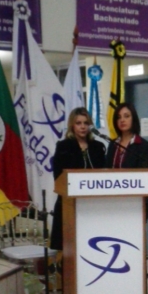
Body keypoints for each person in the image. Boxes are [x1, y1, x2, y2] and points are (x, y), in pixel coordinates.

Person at [50, 107, 106, 251]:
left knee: (92, 245)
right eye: (78, 123)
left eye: (86, 123)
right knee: (69, 248)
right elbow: (58, 176)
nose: (82, 127)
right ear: (72, 125)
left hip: (93, 205)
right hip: (69, 204)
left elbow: (104, 174)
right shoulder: (63, 146)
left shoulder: (98, 147)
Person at [105, 102, 148, 220]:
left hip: (135, 203)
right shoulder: (113, 145)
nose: (122, 120)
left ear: (133, 119)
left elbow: (143, 178)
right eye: (119, 117)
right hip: (112, 202)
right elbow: (106, 171)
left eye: (126, 116)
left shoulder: (144, 146)